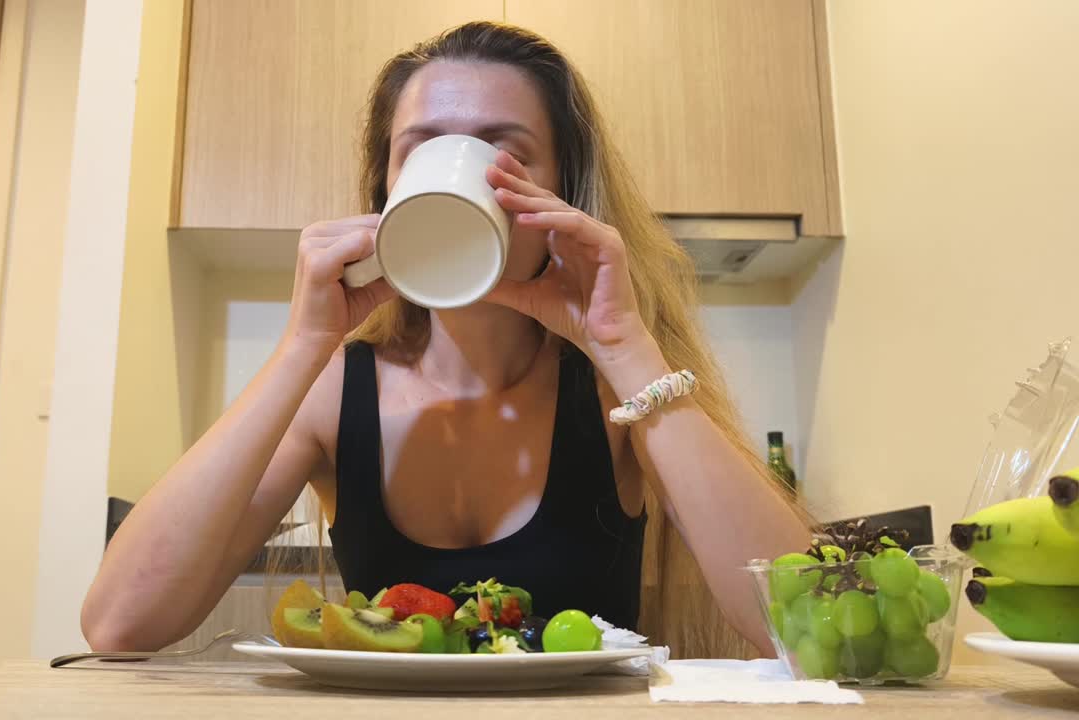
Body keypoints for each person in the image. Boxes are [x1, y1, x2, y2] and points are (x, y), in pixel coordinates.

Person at [82, 21, 808, 658]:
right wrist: (304, 345)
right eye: (422, 150)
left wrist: (623, 345)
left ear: (561, 195)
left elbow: (807, 625)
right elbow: (120, 623)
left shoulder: (618, 386)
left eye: (505, 152)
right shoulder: (337, 386)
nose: (461, 174)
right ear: (386, 190)